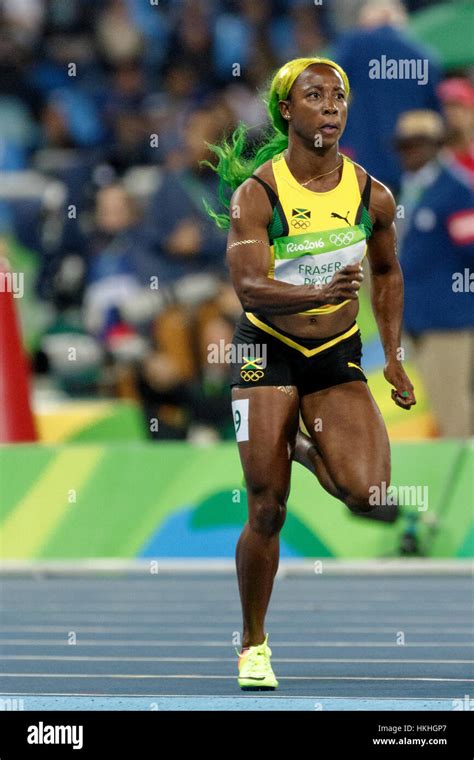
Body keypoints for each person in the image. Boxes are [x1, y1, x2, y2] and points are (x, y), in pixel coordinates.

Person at [206, 56, 416, 691]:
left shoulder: (371, 194)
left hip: (333, 356)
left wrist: (396, 358)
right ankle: (253, 644)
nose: (330, 105)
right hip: (264, 349)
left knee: (372, 499)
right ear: (285, 111)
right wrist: (319, 293)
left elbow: (385, 273)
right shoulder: (259, 195)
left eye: (339, 96)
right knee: (267, 507)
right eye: (315, 95)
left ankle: (295, 444)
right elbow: (247, 288)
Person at [394, 110, 474, 438]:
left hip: (449, 319)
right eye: (403, 146)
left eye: (416, 145)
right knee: (439, 407)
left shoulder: (456, 190)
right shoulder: (409, 188)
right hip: (417, 318)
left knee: (455, 410)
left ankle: (465, 484)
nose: (409, 153)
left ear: (435, 146)